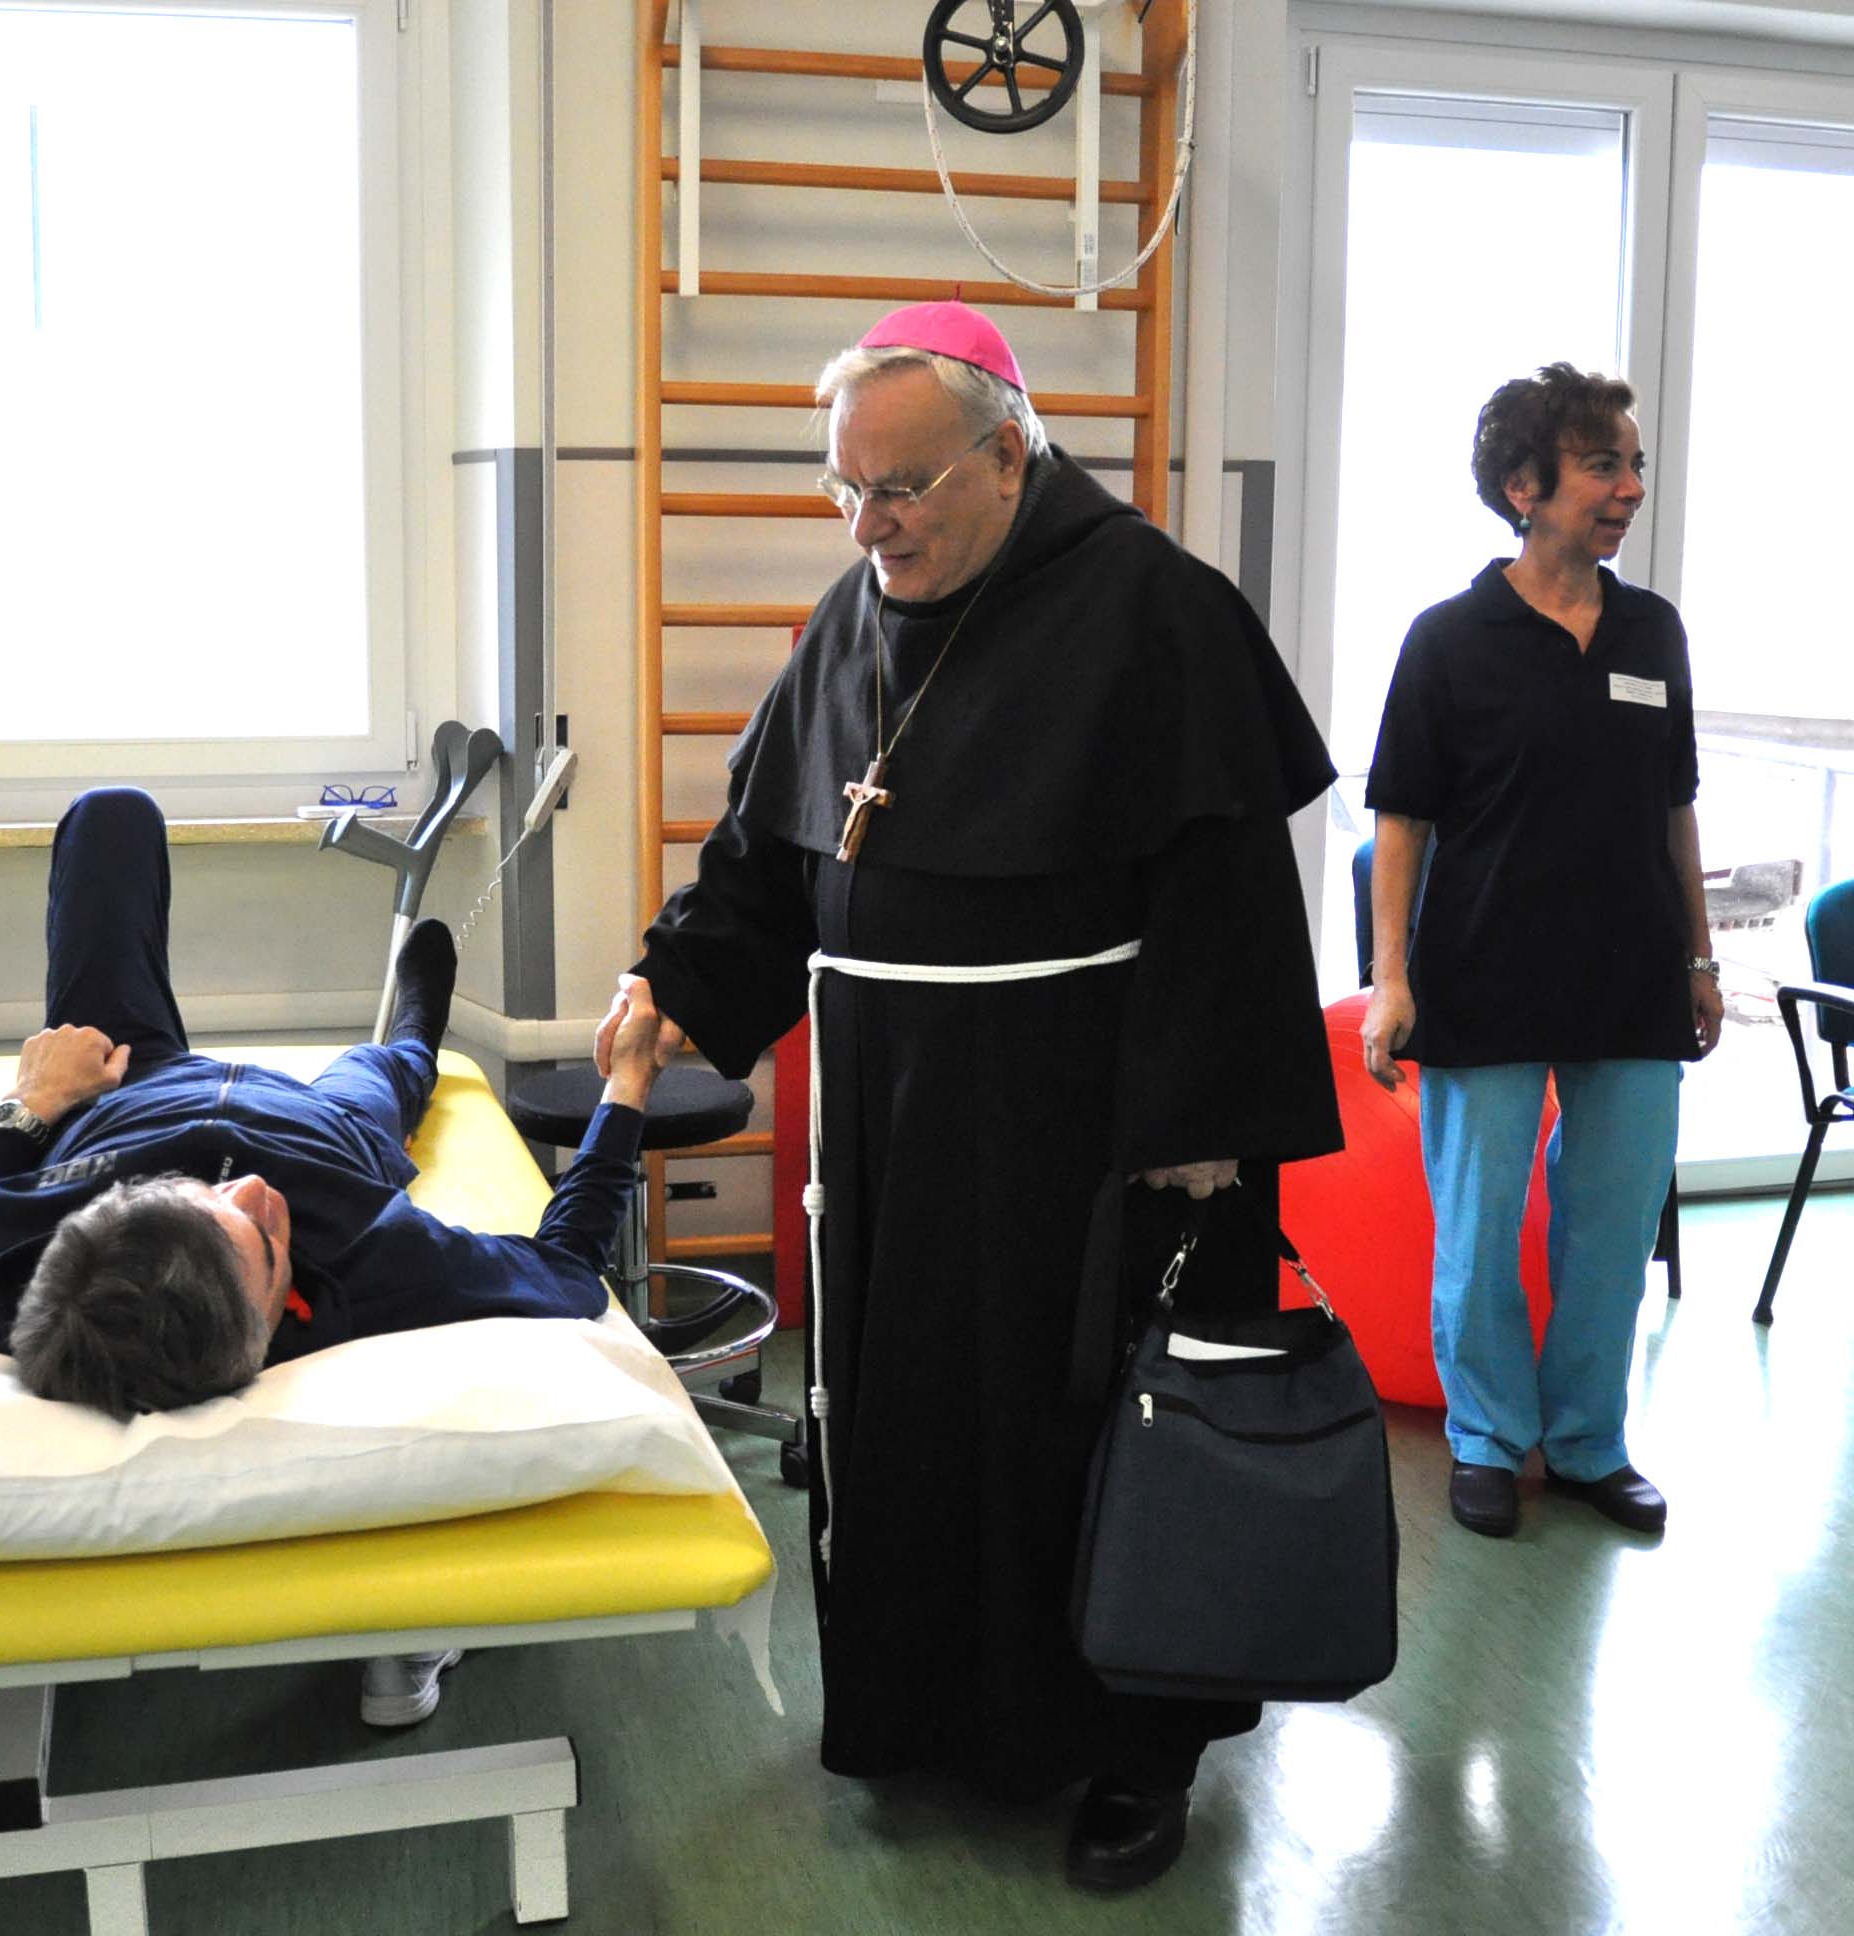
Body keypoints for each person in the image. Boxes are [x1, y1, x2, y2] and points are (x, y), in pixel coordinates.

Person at [598, 302, 1342, 1892]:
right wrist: (673, 979)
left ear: (1009, 456)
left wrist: (1203, 1140)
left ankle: (1137, 1751)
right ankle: (929, 1711)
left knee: (1098, 1438)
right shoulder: (850, 620)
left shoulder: (1156, 612)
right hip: (891, 1125)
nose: (869, 525)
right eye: (845, 489)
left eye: (902, 487)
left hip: (1090, 1136)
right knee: (912, 1429)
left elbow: (1230, 902)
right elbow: (774, 855)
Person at [0, 785, 678, 1724]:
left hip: (124, 1097)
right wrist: (630, 1081)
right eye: (264, 1244)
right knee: (390, 1071)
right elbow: (568, 1268)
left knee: (111, 817)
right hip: (326, 1131)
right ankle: (418, 1024)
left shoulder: (2, 1275)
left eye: (208, 1199)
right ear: (265, 1329)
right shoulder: (377, 1262)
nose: (253, 1189)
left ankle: (185, 1152)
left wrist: (33, 1102)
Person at [1360, 363, 1719, 1544]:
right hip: (1484, 971)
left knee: (1610, 1231)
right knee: (1476, 1232)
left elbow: (1674, 806)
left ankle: (1586, 1444)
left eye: (1633, 465)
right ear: (1524, 484)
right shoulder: (1448, 639)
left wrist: (1699, 960)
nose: (1629, 488)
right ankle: (1483, 1437)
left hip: (1631, 973)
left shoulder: (1652, 630)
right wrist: (1392, 979)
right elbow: (1400, 820)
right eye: (1602, 465)